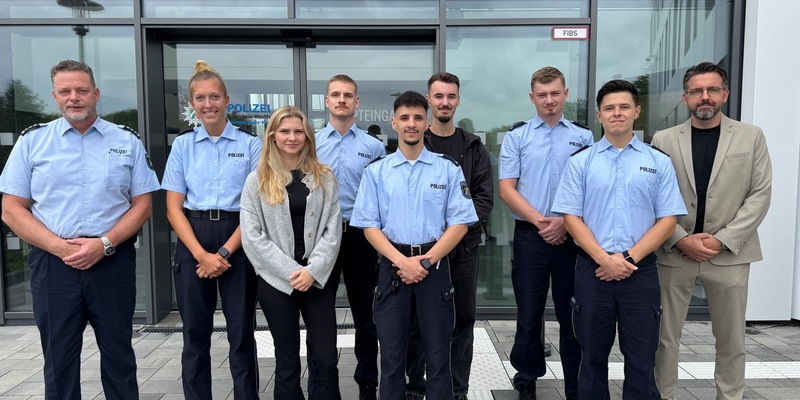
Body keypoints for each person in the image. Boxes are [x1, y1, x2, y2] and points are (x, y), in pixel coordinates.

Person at [0, 59, 159, 399]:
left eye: (82, 90)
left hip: (112, 261)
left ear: (96, 93)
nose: (74, 97)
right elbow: (12, 210)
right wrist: (61, 248)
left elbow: (143, 205)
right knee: (59, 362)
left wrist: (104, 244)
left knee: (119, 357)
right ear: (55, 96)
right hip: (54, 265)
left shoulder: (126, 140)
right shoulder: (32, 142)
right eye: (66, 91)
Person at [552, 79, 687, 399]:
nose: (617, 113)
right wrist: (603, 259)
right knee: (591, 358)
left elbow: (668, 219)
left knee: (641, 360)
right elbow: (571, 217)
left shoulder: (658, 161)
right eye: (609, 108)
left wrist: (626, 259)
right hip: (592, 273)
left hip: (640, 273)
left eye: (624, 107)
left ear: (636, 112)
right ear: (598, 115)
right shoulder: (581, 162)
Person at [652, 62, 772, 400]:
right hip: (675, 252)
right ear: (685, 97)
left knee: (732, 339)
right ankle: (663, 395)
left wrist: (722, 239)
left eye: (712, 90)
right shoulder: (664, 139)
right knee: (664, 337)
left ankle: (729, 396)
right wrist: (679, 238)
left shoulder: (752, 136)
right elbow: (653, 196)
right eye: (696, 91)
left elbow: (760, 195)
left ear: (725, 94)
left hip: (730, 254)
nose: (705, 97)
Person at [351, 91, 478, 400]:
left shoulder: (447, 170)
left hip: (434, 269)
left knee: (438, 357)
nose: (411, 124)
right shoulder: (376, 172)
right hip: (392, 268)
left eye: (418, 118)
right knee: (392, 359)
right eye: (405, 118)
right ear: (394, 123)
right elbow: (369, 225)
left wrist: (424, 262)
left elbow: (460, 223)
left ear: (427, 122)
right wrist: (403, 262)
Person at [161, 61, 261, 399]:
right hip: (194, 237)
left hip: (239, 236)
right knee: (195, 334)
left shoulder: (250, 146)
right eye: (200, 98)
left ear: (227, 99)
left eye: (215, 96)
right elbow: (173, 209)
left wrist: (223, 253)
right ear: (192, 104)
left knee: (241, 333)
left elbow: (255, 208)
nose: (208, 104)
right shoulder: (182, 146)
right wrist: (202, 254)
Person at [497, 66, 592, 400]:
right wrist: (542, 222)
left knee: (573, 313)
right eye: (542, 94)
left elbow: (588, 187)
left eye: (555, 93)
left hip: (572, 236)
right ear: (532, 97)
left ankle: (575, 384)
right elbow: (507, 189)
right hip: (530, 237)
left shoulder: (583, 136)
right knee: (529, 312)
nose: (549, 100)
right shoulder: (517, 137)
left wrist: (565, 222)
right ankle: (526, 378)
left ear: (565, 93)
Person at [240, 105, 343, 400]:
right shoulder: (256, 181)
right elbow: (253, 237)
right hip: (276, 282)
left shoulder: (325, 178)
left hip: (317, 279)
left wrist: (312, 271)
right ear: (272, 136)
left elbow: (332, 231)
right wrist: (291, 272)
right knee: (286, 359)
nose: (292, 137)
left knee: (325, 356)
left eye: (299, 131)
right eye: (285, 131)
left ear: (308, 137)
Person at [405, 72, 494, 400]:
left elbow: (483, 199)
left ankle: (458, 389)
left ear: (457, 101)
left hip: (464, 250)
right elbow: (406, 195)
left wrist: (454, 229)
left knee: (462, 319)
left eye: (451, 96)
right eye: (438, 96)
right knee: (416, 321)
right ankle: (415, 386)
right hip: (422, 250)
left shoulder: (472, 145)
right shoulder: (415, 140)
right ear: (429, 100)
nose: (445, 102)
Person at [315, 74, 386, 400]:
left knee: (367, 318)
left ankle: (367, 385)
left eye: (348, 95)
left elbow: (382, 196)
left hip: (361, 238)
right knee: (319, 317)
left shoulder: (373, 147)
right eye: (335, 95)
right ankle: (323, 387)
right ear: (326, 101)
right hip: (321, 238)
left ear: (357, 102)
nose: (341, 100)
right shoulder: (311, 144)